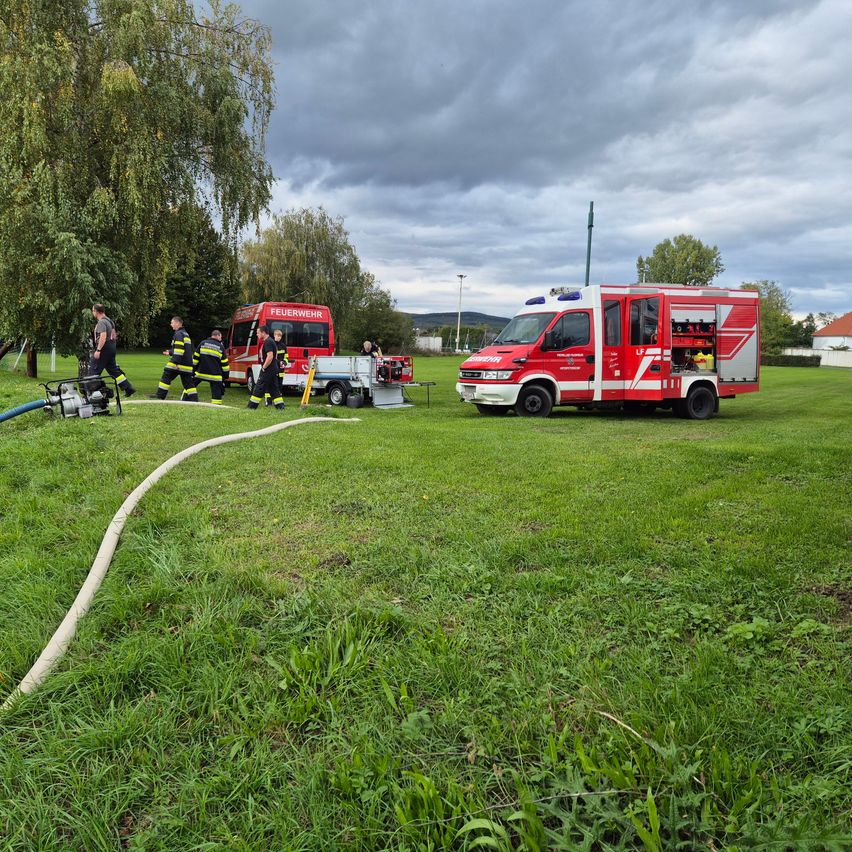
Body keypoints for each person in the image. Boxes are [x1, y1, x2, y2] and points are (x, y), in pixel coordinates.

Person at [88, 304, 136, 397]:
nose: (92, 312)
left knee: (94, 370)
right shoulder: (110, 321)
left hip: (104, 348)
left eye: (93, 310)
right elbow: (113, 335)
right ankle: (128, 388)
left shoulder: (101, 322)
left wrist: (98, 350)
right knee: (113, 370)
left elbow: (103, 336)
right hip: (111, 347)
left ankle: (93, 393)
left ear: (96, 311)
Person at [153, 316, 197, 401]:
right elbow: (183, 349)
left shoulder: (178, 334)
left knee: (166, 374)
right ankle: (194, 400)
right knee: (188, 384)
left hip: (179, 363)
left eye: (172, 322)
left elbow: (179, 351)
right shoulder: (185, 334)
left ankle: (160, 396)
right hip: (187, 364)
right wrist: (169, 352)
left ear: (177, 323)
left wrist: (176, 363)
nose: (171, 324)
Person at [247, 325, 284, 410]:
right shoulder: (270, 341)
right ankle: (280, 407)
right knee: (274, 389)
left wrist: (264, 367)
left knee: (259, 387)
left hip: (268, 369)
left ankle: (251, 407)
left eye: (258, 333)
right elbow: (274, 357)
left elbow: (270, 356)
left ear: (263, 333)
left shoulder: (268, 342)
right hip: (272, 369)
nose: (257, 334)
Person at [192, 328, 230, 404]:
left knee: (190, 386)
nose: (221, 339)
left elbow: (195, 359)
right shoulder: (220, 347)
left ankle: (185, 400)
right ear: (218, 336)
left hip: (200, 373)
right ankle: (216, 405)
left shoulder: (203, 343)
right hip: (215, 376)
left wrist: (193, 371)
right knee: (217, 394)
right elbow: (225, 364)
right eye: (221, 337)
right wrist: (225, 376)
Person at [265, 328, 290, 406]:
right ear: (274, 335)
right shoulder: (272, 344)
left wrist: (285, 363)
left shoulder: (283, 346)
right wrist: (279, 362)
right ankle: (268, 402)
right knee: (270, 385)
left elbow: (286, 356)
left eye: (280, 336)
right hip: (273, 368)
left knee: (279, 386)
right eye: (277, 335)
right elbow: (271, 357)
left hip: (281, 370)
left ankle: (278, 402)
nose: (279, 337)